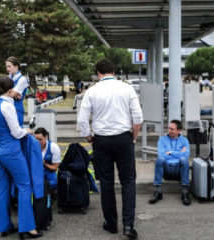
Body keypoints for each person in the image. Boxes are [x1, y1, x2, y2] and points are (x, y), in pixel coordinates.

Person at [78, 58, 143, 239]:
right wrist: (134, 137)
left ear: (98, 74)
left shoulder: (91, 91)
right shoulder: (127, 88)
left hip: (101, 140)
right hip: (123, 138)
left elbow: (82, 120)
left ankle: (112, 224)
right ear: (113, 72)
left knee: (106, 182)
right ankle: (128, 226)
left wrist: (90, 138)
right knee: (128, 181)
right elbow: (137, 117)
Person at [0, 76, 42, 238]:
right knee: (25, 186)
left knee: (2, 188)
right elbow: (16, 132)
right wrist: (27, 131)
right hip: (10, 152)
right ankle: (27, 227)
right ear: (10, 91)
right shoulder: (7, 105)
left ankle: (4, 226)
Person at [149, 120, 191, 206]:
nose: (169, 131)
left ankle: (185, 193)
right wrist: (179, 153)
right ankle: (158, 192)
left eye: (172, 129)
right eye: (169, 128)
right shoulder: (162, 140)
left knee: (184, 160)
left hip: (179, 171)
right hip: (167, 170)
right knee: (160, 159)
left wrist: (170, 152)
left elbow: (186, 155)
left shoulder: (184, 140)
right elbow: (161, 155)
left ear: (179, 130)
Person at [34, 127, 61, 192]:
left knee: (55, 182)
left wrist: (45, 164)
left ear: (46, 137)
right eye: (36, 140)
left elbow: (55, 168)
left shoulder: (53, 147)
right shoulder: (32, 146)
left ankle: (44, 188)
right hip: (36, 171)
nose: (38, 142)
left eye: (40, 139)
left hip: (49, 170)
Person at [6, 56, 29, 126]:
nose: (7, 69)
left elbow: (12, 94)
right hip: (7, 108)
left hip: (16, 109)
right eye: (6, 67)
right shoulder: (8, 77)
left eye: (9, 66)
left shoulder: (22, 79)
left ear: (16, 66)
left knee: (17, 133)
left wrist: (8, 92)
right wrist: (11, 92)